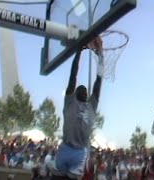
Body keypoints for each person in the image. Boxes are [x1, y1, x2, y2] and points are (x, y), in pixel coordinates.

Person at [51, 36, 103, 180]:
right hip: (66, 148)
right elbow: (73, 75)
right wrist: (79, 52)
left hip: (80, 152)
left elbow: (98, 82)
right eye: (81, 89)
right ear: (75, 92)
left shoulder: (91, 105)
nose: (84, 90)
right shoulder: (70, 101)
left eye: (85, 90)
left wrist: (101, 57)